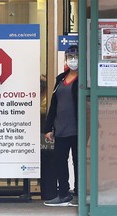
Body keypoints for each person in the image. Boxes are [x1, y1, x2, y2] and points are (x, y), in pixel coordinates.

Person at [43, 45, 78, 207]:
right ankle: (64, 193)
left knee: (79, 162)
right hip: (61, 129)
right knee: (59, 160)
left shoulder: (84, 78)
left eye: (76, 56)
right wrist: (48, 127)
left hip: (79, 129)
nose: (73, 60)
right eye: (70, 57)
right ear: (65, 59)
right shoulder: (60, 79)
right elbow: (54, 104)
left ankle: (78, 194)